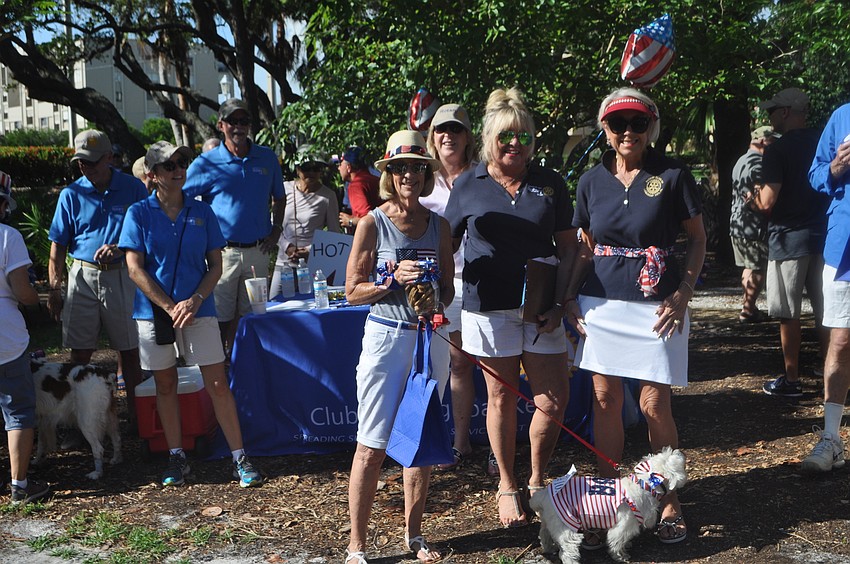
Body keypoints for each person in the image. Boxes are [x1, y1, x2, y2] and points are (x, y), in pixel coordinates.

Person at [567, 87, 706, 546]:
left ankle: (668, 499)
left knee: (654, 405)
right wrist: (568, 297)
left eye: (638, 123)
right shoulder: (590, 181)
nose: (629, 132)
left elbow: (698, 239)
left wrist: (684, 293)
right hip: (601, 305)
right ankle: (609, 497)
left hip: (658, 306)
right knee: (604, 401)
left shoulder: (671, 174)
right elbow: (585, 249)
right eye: (618, 123)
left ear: (651, 128)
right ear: (604, 130)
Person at [444, 88, 577, 528]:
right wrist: (437, 289)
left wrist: (560, 301)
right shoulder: (468, 183)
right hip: (488, 306)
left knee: (552, 400)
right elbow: (445, 243)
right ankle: (506, 483)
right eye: (505, 137)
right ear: (489, 139)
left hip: (542, 309)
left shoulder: (550, 182)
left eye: (522, 136)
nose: (514, 145)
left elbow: (567, 246)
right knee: (500, 396)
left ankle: (538, 480)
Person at [118, 141, 264, 488]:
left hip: (200, 310)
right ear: (152, 175)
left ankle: (240, 458)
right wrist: (171, 308)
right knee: (165, 385)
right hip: (154, 314)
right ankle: (176, 457)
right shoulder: (138, 213)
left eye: (181, 162)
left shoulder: (202, 211)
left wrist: (195, 300)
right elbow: (134, 269)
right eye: (169, 165)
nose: (178, 169)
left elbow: (216, 264)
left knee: (217, 383)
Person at [344, 130, 454, 564]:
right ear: (388, 173)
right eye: (400, 167)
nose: (409, 174)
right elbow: (352, 291)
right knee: (371, 445)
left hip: (429, 341)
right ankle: (357, 545)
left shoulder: (440, 225)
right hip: (386, 337)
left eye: (417, 167)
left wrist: (434, 296)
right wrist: (392, 280)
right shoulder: (373, 222)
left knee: (419, 443)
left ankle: (414, 535)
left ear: (427, 174)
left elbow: (446, 287)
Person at [47, 129, 146, 416]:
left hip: (122, 275)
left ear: (110, 158)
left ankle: (138, 419)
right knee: (79, 354)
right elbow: (58, 248)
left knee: (129, 351)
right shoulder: (71, 194)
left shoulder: (133, 188)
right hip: (83, 277)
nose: (85, 167)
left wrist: (120, 247)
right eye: (81, 162)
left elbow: (148, 233)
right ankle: (80, 419)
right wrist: (55, 289)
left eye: (91, 162)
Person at [183, 98, 285, 357]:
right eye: (232, 121)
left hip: (258, 250)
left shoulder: (266, 157)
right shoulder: (206, 163)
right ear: (221, 125)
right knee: (219, 316)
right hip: (222, 254)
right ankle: (216, 366)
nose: (238, 127)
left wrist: (276, 230)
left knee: (251, 315)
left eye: (244, 121)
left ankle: (240, 364)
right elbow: (181, 198)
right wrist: (198, 236)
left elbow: (280, 197)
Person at [754, 88, 830, 398]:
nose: (769, 116)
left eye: (773, 110)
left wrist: (753, 198)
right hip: (825, 237)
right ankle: (832, 376)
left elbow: (768, 199)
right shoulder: (824, 142)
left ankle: (791, 379)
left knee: (789, 312)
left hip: (788, 239)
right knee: (827, 311)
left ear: (785, 112)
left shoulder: (777, 150)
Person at [419, 104, 478, 471]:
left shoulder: (482, 177)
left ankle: (468, 442)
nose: (448, 136)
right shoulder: (422, 180)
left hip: (482, 284)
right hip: (440, 286)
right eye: (441, 130)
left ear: (467, 136)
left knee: (480, 364)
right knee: (450, 364)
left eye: (456, 130)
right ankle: (455, 442)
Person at [801, 101, 850, 472]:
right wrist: (835, 168)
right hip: (843, 247)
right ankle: (831, 439)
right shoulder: (841, 116)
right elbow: (816, 174)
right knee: (841, 339)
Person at [0, 171, 51, 505]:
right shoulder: (9, 237)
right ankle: (19, 486)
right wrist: (36, 298)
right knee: (18, 411)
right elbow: (23, 291)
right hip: (6, 336)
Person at [731, 126, 778, 323]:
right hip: (753, 226)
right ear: (761, 141)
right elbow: (760, 199)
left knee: (748, 267)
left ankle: (748, 306)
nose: (775, 145)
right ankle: (748, 310)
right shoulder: (758, 164)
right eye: (771, 141)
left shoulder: (741, 160)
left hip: (737, 224)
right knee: (759, 268)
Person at [276, 152, 340, 264]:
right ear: (297, 169)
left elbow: (333, 232)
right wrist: (287, 247)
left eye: (316, 169)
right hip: (284, 259)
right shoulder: (285, 189)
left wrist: (309, 250)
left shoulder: (328, 196)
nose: (311, 173)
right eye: (306, 168)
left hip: (313, 259)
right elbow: (274, 224)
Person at [338, 146, 381, 231]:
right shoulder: (375, 179)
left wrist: (349, 221)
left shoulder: (356, 185)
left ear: (348, 167)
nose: (339, 168)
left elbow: (368, 219)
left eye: (340, 164)